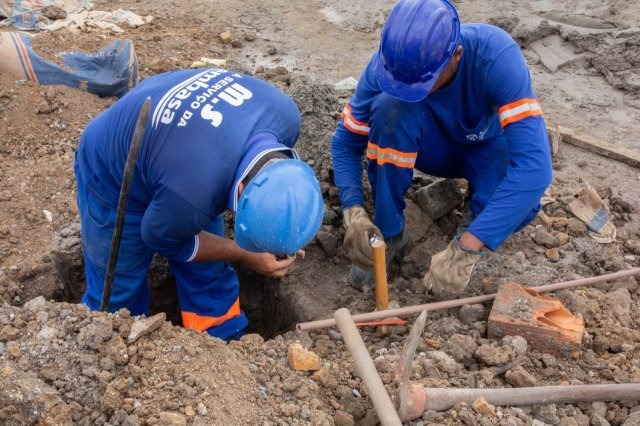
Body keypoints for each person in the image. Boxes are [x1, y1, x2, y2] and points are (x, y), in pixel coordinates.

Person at [75, 67, 324, 340]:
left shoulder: (286, 116)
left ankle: (224, 341)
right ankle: (118, 345)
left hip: (183, 152)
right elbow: (160, 238)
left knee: (207, 269)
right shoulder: (192, 195)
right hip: (114, 169)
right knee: (117, 289)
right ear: (241, 188)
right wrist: (244, 253)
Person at [331, 0, 553, 294]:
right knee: (389, 109)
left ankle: (471, 228)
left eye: (420, 84)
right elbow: (346, 141)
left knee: (517, 201)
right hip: (432, 146)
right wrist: (353, 212)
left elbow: (535, 170)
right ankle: (391, 231)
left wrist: (467, 250)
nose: (406, 89)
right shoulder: (388, 67)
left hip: (486, 146)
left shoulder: (495, 56)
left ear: (456, 56)